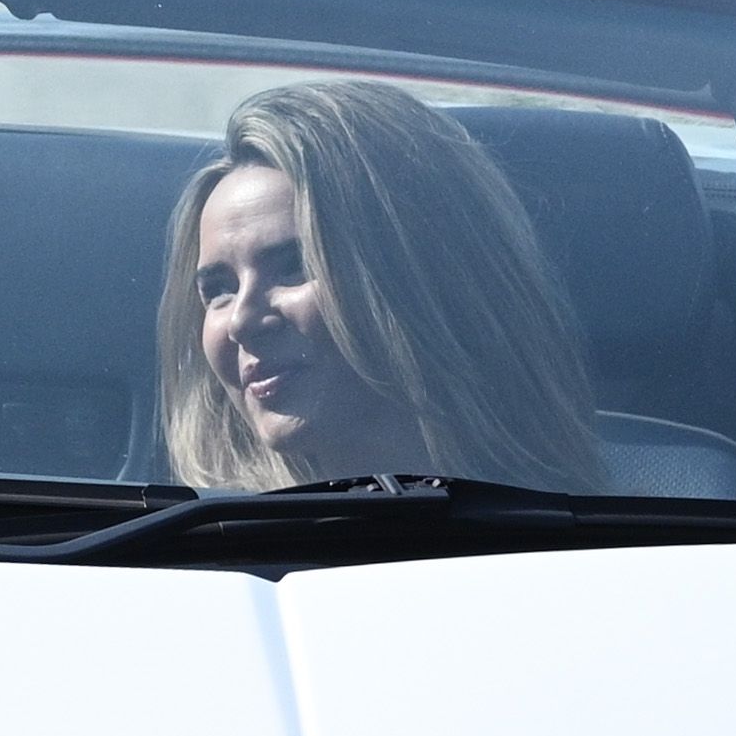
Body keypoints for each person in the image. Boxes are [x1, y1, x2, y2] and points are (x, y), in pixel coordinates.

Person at [156, 78, 604, 491]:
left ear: (427, 276)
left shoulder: (621, 533)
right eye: (219, 289)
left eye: (296, 264)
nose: (242, 321)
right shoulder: (184, 545)